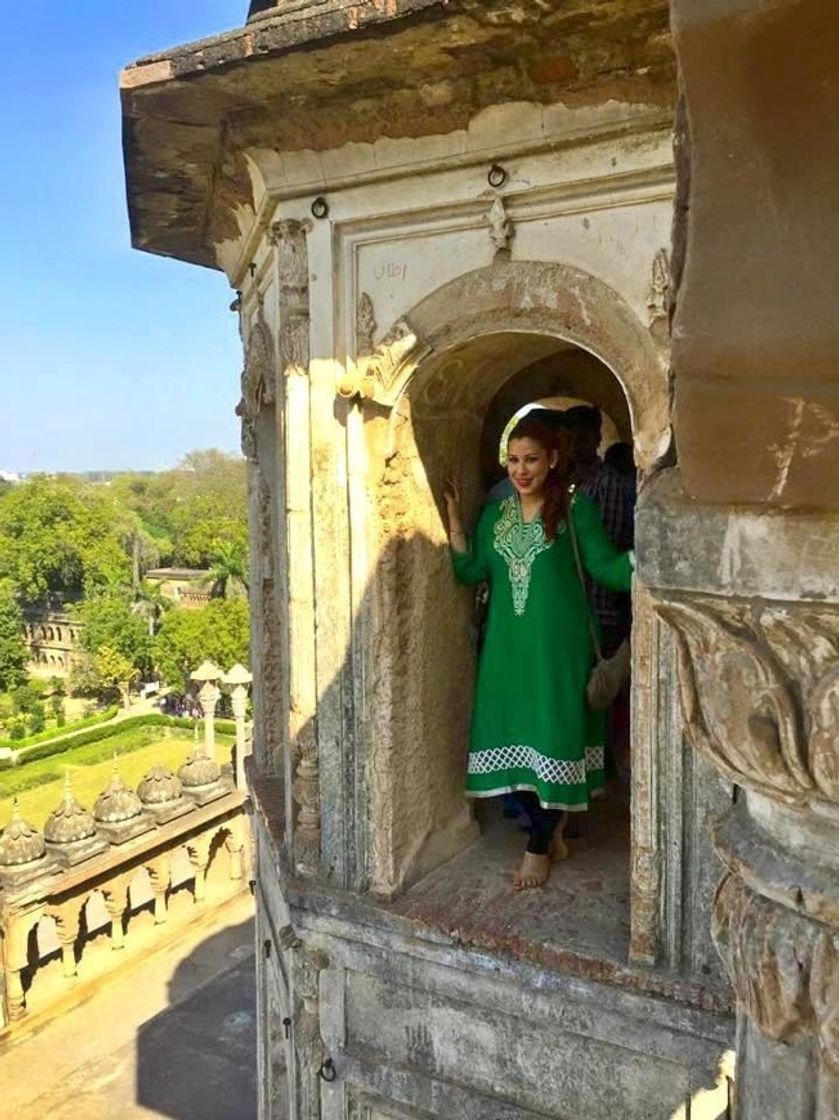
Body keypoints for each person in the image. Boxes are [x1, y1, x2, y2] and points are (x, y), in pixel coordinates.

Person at [444, 415, 633, 891]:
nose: (521, 470)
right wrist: (453, 526)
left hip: (560, 650)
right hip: (506, 650)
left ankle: (537, 848)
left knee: (556, 740)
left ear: (552, 459)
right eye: (513, 460)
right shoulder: (496, 516)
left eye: (531, 459)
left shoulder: (576, 510)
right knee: (502, 739)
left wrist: (648, 558)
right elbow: (471, 573)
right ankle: (550, 836)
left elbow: (606, 568)